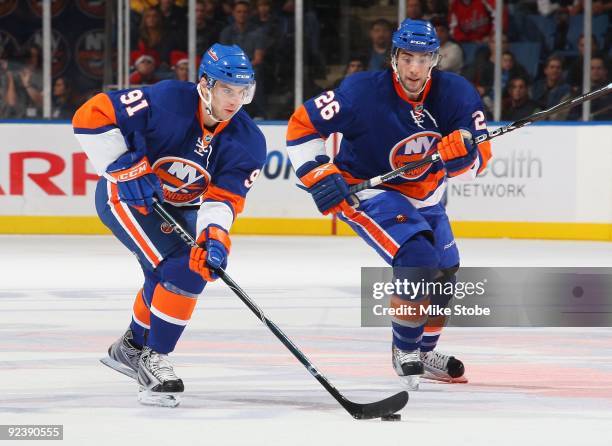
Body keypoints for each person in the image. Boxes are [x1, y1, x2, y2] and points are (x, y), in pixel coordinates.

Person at [286, 19, 492, 389]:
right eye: (407, 57)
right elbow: (302, 125)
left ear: (435, 60)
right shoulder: (360, 91)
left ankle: (424, 351)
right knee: (417, 256)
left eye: (423, 58)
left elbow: (479, 160)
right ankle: (405, 350)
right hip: (365, 190)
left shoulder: (457, 94)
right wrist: (318, 174)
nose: (414, 68)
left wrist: (461, 157)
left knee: (445, 273)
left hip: (425, 194)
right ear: (394, 57)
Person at [72, 44, 266, 407]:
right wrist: (121, 167)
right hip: (126, 197)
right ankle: (153, 357)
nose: (235, 100)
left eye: (243, 91)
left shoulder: (249, 140)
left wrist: (215, 236)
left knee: (185, 268)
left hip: (182, 207)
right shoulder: (165, 101)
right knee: (181, 269)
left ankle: (131, 347)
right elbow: (90, 114)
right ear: (206, 85)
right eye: (227, 89)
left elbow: (223, 199)